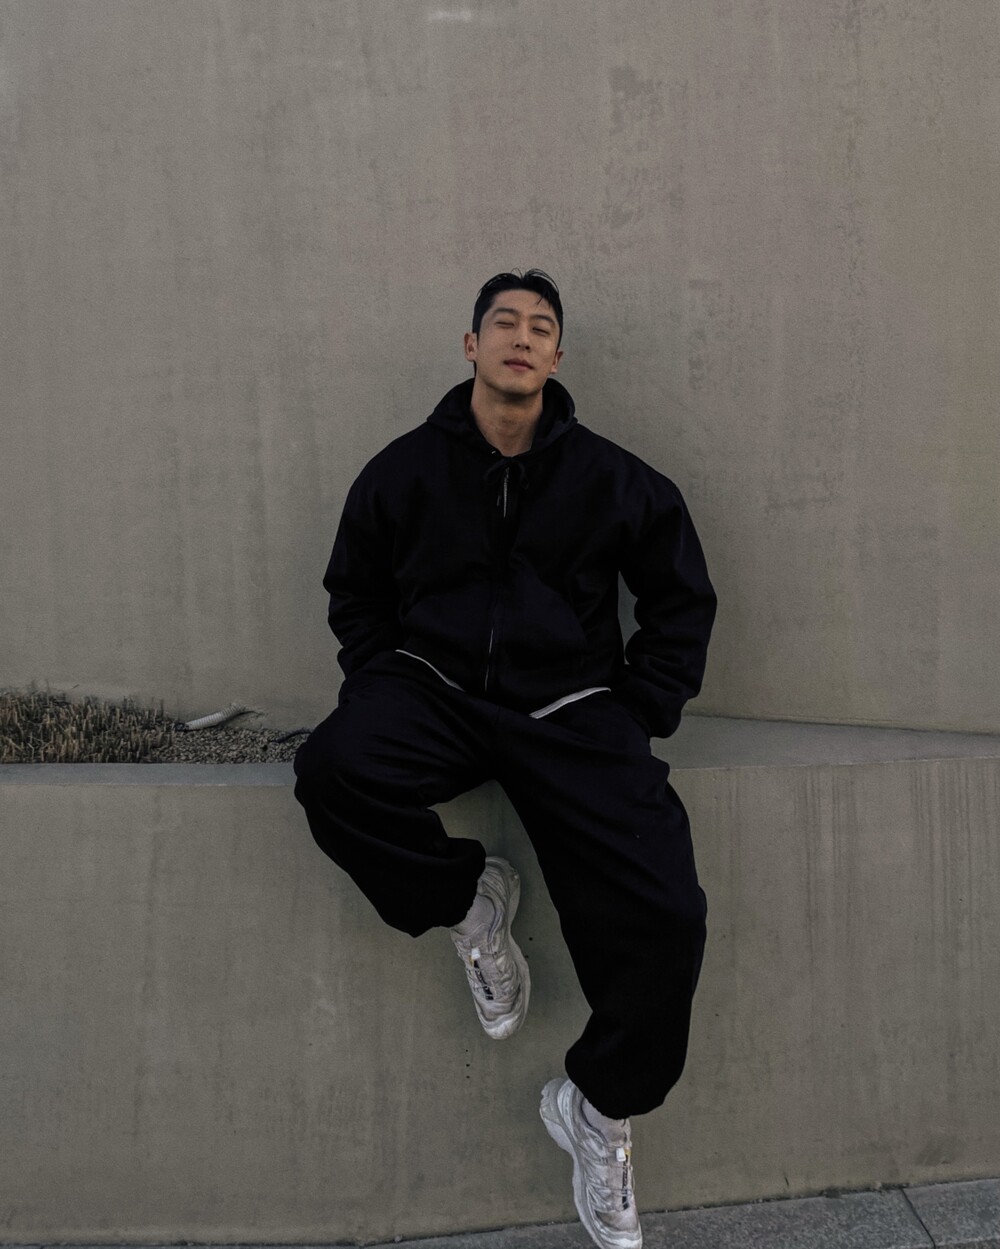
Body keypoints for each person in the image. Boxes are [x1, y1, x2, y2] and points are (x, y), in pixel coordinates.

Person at [294, 269, 716, 1249]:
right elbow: (354, 588)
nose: (521, 337)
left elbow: (679, 598)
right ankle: (471, 902)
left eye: (540, 326)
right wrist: (383, 678)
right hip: (433, 690)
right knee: (333, 770)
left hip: (571, 709)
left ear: (557, 357)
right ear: (472, 345)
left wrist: (639, 707)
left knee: (667, 911)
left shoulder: (614, 479)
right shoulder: (404, 470)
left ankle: (597, 1104)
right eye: (504, 322)